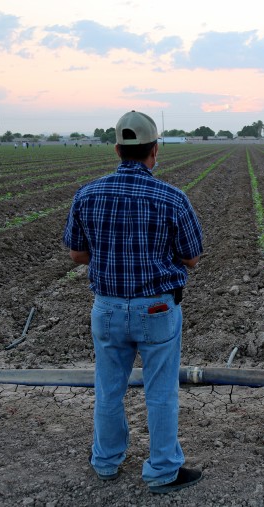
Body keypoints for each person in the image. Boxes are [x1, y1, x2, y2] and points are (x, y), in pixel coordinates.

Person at [63, 110, 204, 493]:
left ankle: (106, 461)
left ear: (117, 150)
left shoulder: (87, 194)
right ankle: (161, 471)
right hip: (156, 308)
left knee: (108, 388)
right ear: (154, 150)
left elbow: (76, 253)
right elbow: (192, 256)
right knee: (160, 392)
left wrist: (109, 256)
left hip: (107, 307)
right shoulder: (172, 198)